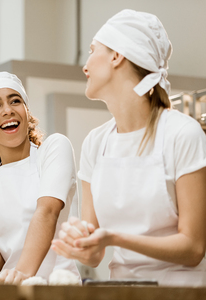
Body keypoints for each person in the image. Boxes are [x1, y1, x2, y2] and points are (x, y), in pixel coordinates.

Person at [51, 9, 206, 287]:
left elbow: (193, 248)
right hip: (121, 292)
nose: (84, 66)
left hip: (181, 292)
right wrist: (80, 242)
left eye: (92, 50)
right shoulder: (95, 143)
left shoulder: (182, 134)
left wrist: (114, 238)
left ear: (117, 55)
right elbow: (94, 256)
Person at [0, 72, 80, 284]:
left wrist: (23, 276)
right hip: (12, 290)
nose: (8, 110)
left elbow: (47, 212)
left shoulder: (53, 150)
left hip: (60, 289)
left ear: (26, 111)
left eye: (15, 101)